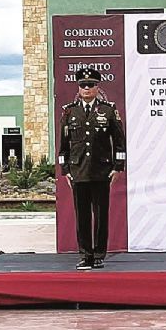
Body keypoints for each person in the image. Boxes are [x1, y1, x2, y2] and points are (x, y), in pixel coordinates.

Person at [58, 68, 126, 270]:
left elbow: (119, 142)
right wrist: (65, 169)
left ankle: (98, 254)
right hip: (78, 171)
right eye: (83, 85)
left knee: (101, 214)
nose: (87, 89)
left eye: (91, 85)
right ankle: (85, 255)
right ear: (78, 88)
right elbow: (64, 144)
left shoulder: (108, 110)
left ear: (98, 88)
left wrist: (118, 166)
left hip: (101, 170)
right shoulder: (69, 111)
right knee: (82, 216)